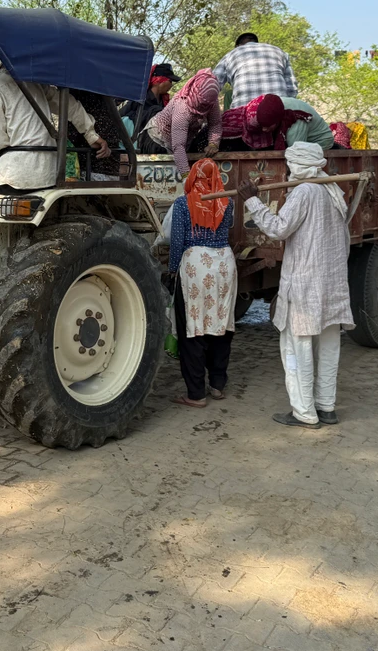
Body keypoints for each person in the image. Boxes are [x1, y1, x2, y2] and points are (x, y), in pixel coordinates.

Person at [237, 142, 353, 429]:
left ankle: (304, 412)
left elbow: (278, 229)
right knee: (328, 345)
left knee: (296, 346)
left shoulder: (305, 191)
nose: (288, 170)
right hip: (331, 285)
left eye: (290, 165)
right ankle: (326, 407)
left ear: (299, 166)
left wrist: (252, 200)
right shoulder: (332, 191)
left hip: (304, 285)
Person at [0, 35, 110, 191]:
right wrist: (90, 134)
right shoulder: (32, 80)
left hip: (18, 176)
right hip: (50, 173)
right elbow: (68, 105)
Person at [169, 158, 237, 407]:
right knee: (221, 325)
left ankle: (196, 393)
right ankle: (218, 385)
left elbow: (177, 242)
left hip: (195, 265)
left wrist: (172, 270)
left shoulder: (182, 204)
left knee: (194, 329)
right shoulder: (226, 202)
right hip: (224, 265)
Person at [145, 69, 222, 173]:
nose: (205, 107)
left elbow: (215, 123)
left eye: (208, 105)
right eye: (202, 103)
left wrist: (213, 144)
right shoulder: (182, 107)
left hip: (182, 142)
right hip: (158, 140)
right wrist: (186, 175)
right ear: (196, 94)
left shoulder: (211, 101)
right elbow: (178, 146)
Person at [220, 93, 334, 152]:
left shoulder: (294, 122)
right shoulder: (273, 107)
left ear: (277, 121)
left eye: (267, 126)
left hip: (320, 143)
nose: (264, 130)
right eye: (262, 126)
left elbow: (297, 154)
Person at [213, 33, 300, 109]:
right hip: (278, 111)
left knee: (229, 95)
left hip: (243, 113)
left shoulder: (230, 55)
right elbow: (292, 88)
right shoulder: (280, 52)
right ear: (256, 42)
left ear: (237, 46)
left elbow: (212, 85)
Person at [122, 63, 179, 154]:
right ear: (160, 80)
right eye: (170, 81)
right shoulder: (140, 100)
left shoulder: (163, 102)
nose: (171, 85)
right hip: (138, 145)